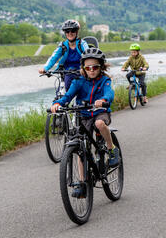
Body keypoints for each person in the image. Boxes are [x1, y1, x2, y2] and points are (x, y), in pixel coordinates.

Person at [51, 48, 119, 185]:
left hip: (101, 112)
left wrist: (104, 100)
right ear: (83, 68)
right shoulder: (78, 81)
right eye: (88, 68)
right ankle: (82, 182)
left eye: (95, 67)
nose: (92, 70)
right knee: (82, 149)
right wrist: (57, 103)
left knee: (100, 124)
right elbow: (68, 96)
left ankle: (111, 149)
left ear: (101, 67)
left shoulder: (105, 80)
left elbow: (109, 93)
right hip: (84, 115)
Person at [39, 19, 90, 91]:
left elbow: (88, 55)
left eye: (73, 31)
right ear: (65, 33)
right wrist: (45, 68)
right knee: (62, 91)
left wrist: (86, 68)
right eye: (67, 31)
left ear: (77, 32)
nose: (70, 33)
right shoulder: (63, 46)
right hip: (67, 72)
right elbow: (54, 57)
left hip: (82, 71)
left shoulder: (82, 44)